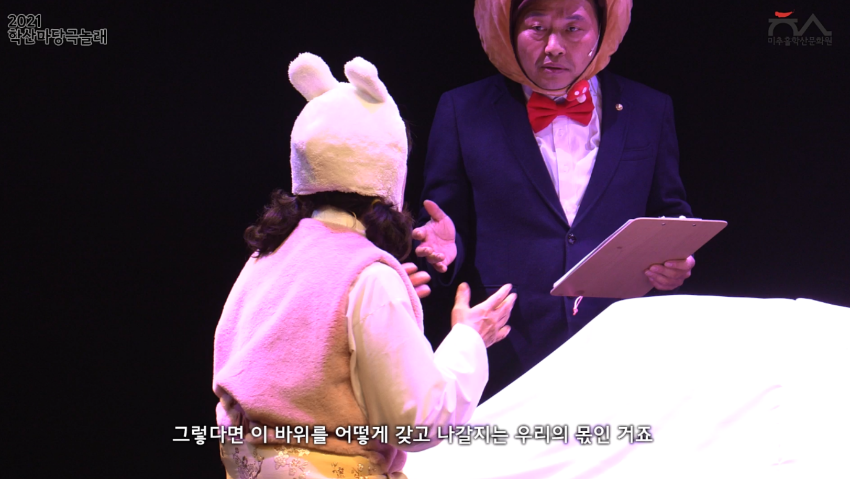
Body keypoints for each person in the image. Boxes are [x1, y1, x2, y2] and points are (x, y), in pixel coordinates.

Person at [212, 53, 516, 479]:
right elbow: (418, 422)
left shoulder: (266, 257)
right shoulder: (368, 279)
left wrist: (366, 305)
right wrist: (469, 339)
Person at [413, 0, 695, 401]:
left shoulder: (649, 108)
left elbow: (670, 211)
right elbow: (443, 220)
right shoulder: (463, 109)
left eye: (572, 29)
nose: (554, 47)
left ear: (601, 32)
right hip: (510, 343)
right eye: (537, 28)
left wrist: (676, 260)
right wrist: (446, 249)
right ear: (509, 32)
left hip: (619, 345)